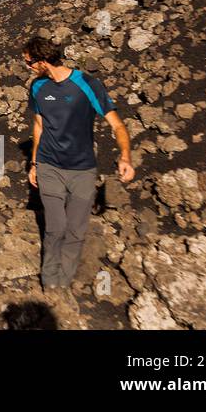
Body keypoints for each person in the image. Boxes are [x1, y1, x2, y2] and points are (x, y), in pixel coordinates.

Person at [23, 35, 135, 291]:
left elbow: (117, 124)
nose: (28, 68)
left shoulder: (87, 84)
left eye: (29, 63)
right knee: (56, 226)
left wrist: (125, 156)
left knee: (75, 229)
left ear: (42, 61)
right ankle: (50, 282)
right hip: (49, 165)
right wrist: (33, 163)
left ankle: (64, 279)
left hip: (83, 170)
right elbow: (39, 125)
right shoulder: (38, 87)